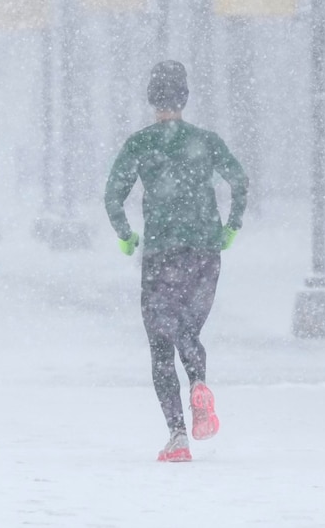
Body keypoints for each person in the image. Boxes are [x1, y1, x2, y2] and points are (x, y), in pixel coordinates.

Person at [105, 60, 248, 463]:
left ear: (153, 98)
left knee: (160, 343)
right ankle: (200, 383)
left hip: (161, 254)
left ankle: (178, 436)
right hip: (205, 252)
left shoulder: (140, 144)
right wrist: (231, 227)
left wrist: (126, 234)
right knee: (188, 327)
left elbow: (112, 196)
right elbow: (239, 180)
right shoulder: (206, 141)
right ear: (184, 97)